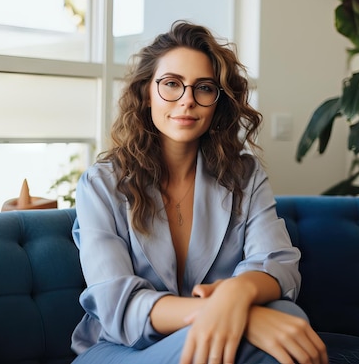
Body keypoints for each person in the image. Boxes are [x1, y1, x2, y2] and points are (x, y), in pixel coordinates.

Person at [71, 21, 328, 364]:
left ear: (217, 102)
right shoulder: (100, 184)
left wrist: (237, 293)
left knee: (288, 318)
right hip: (123, 351)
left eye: (204, 88)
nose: (187, 101)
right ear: (147, 92)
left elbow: (278, 264)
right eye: (172, 84)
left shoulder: (244, 176)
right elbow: (119, 305)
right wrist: (230, 312)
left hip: (216, 343)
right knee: (274, 329)